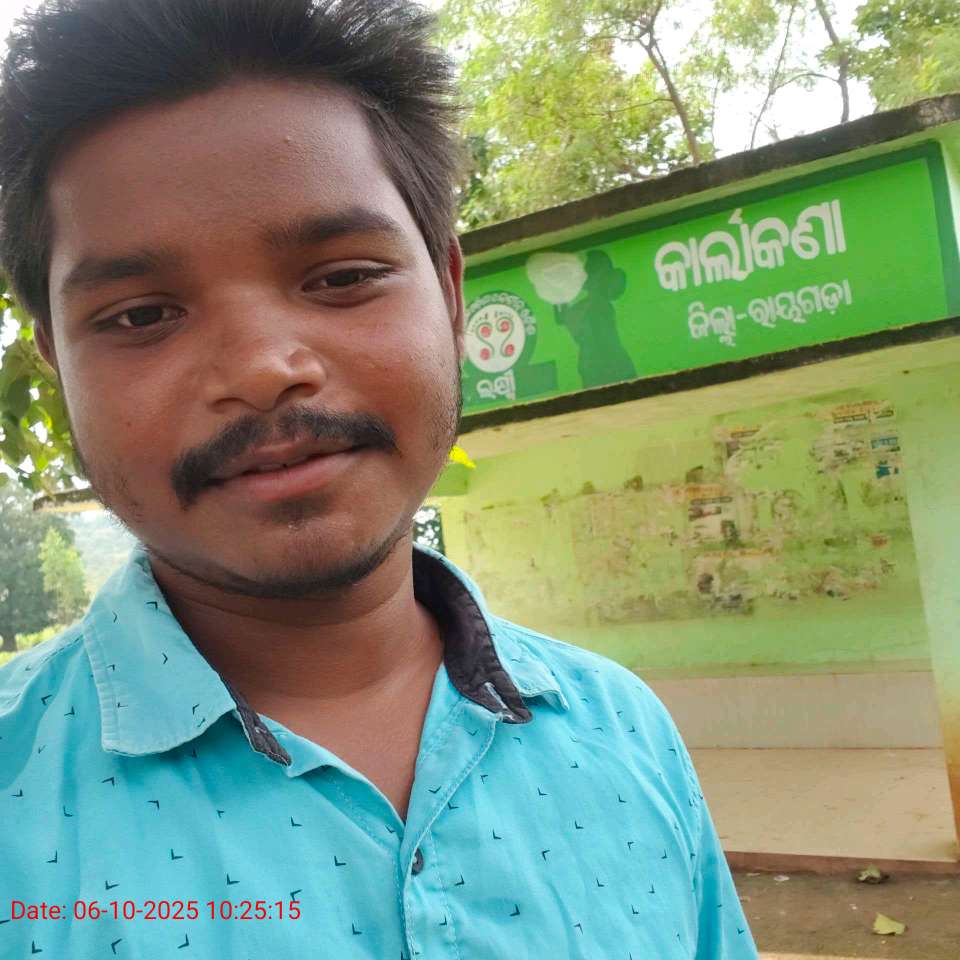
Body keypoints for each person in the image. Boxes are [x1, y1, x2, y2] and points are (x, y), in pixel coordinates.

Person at [0, 1, 758, 956]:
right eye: (143, 315)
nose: (262, 369)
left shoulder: (624, 733)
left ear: (449, 293)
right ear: (58, 366)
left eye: (342, 277)